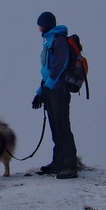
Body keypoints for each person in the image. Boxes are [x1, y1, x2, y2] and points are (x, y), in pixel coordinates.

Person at [32, 11, 79, 179]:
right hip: (51, 90)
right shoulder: (49, 40)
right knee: (54, 126)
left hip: (59, 91)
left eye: (40, 24)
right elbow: (47, 70)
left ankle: (70, 166)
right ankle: (58, 162)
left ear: (46, 24)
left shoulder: (59, 40)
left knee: (62, 126)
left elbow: (60, 66)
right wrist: (40, 92)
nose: (39, 28)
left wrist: (48, 87)